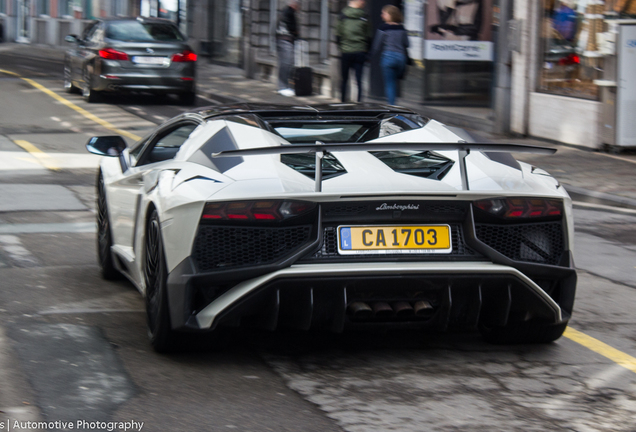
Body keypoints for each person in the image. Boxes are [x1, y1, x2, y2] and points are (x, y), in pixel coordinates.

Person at [369, 5, 409, 105]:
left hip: (388, 58)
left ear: (390, 15)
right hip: (400, 59)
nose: (381, 15)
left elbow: (377, 45)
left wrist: (371, 55)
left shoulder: (383, 28)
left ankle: (392, 106)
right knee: (395, 80)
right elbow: (407, 44)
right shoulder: (402, 28)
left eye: (384, 13)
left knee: (390, 84)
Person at [336, 0, 372, 102]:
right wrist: (366, 50)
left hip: (346, 51)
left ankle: (343, 102)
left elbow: (338, 35)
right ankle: (358, 103)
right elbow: (369, 37)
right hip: (360, 51)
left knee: (344, 80)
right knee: (359, 81)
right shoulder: (365, 16)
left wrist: (342, 47)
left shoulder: (342, 15)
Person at [276, 0, 299, 97]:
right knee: (286, 63)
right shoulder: (289, 12)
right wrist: (296, 34)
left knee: (287, 63)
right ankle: (283, 87)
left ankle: (285, 86)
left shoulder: (286, 11)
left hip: (284, 39)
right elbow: (292, 27)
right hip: (285, 40)